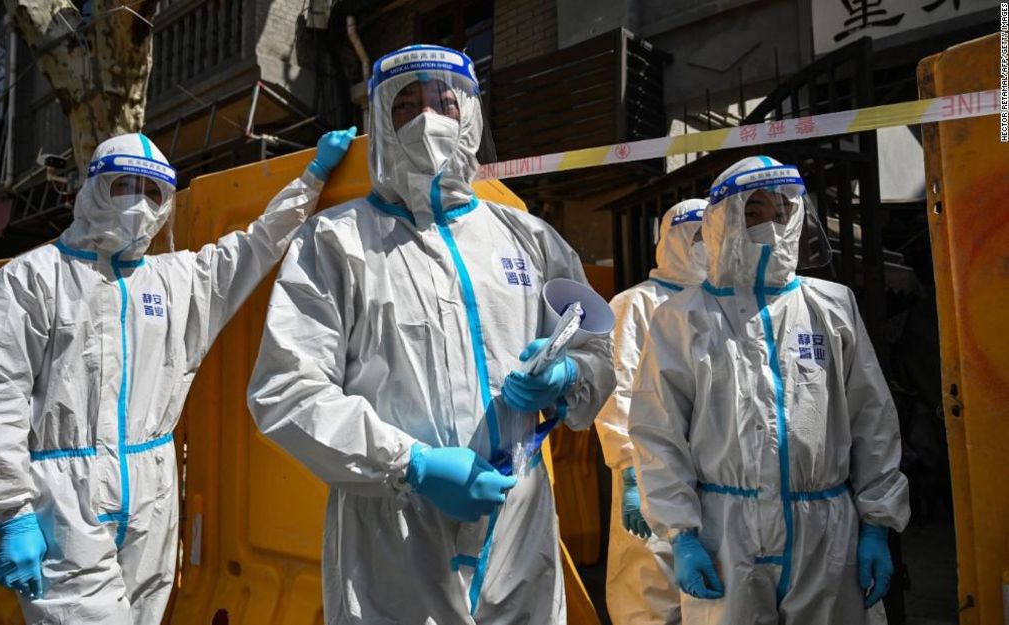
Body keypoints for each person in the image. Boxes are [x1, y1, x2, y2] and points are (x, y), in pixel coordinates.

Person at [246, 44, 613, 624]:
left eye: (446, 101)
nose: (429, 119)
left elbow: (596, 348)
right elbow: (286, 391)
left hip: (516, 525)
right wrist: (411, 465)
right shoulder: (335, 243)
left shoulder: (527, 239)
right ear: (381, 125)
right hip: (393, 530)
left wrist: (568, 375)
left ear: (471, 115)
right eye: (407, 106)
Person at [0, 127, 356, 624]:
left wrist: (311, 178)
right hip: (63, 503)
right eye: (125, 185)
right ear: (95, 188)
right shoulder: (29, 281)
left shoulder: (175, 281)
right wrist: (11, 511)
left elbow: (255, 245)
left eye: (153, 191)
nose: (139, 203)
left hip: (153, 494)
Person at [628, 156, 910, 625]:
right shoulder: (682, 318)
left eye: (783, 212)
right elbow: (658, 432)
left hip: (825, 534)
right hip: (725, 533)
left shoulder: (831, 306)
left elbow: (872, 418)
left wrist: (877, 524)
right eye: (755, 212)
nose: (773, 226)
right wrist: (682, 534)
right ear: (723, 222)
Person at [595, 198, 707, 624]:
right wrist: (627, 469)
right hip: (649, 470)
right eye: (697, 237)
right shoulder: (636, 303)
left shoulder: (719, 303)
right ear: (673, 239)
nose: (706, 246)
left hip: (712, 473)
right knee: (650, 586)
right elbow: (617, 387)